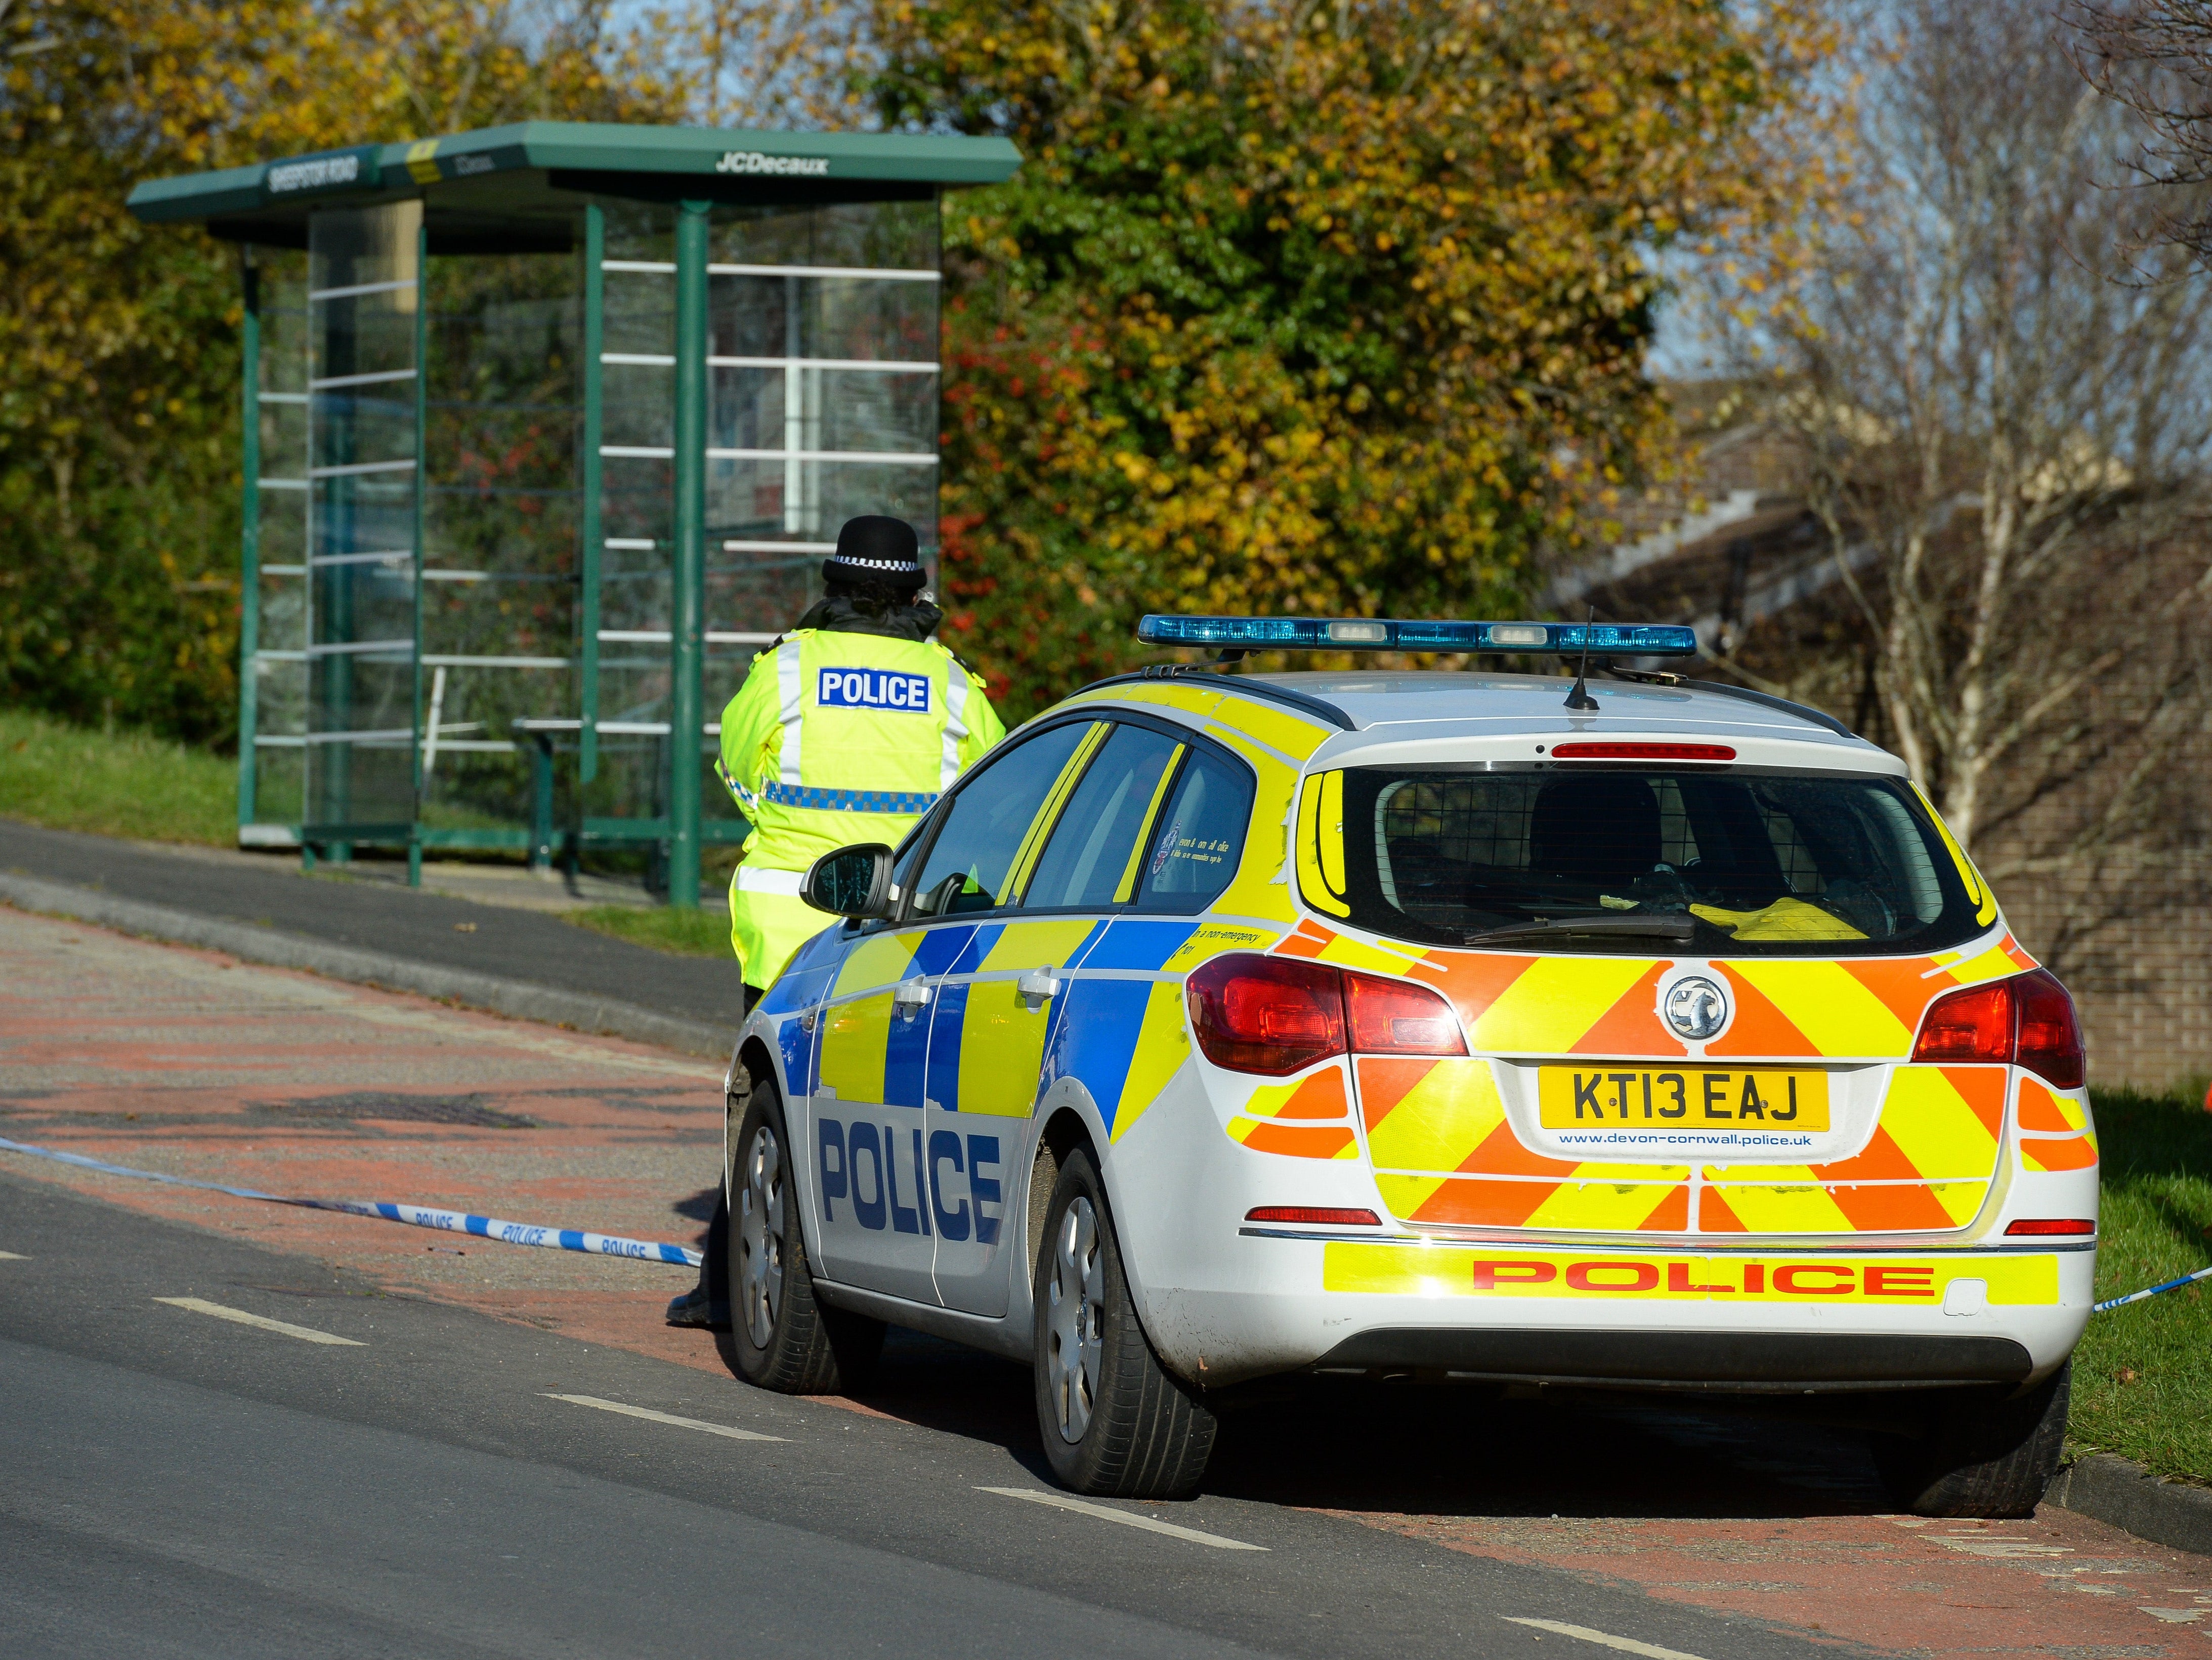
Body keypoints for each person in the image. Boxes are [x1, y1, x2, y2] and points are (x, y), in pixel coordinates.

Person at [666, 514, 1006, 1329]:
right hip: (906, 926)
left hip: (789, 920)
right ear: (913, 592)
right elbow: (988, 803)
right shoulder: (955, 685)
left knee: (769, 1109)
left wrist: (787, 826)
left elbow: (734, 767)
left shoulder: (786, 667)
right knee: (889, 1104)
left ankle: (737, 1289)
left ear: (832, 586)